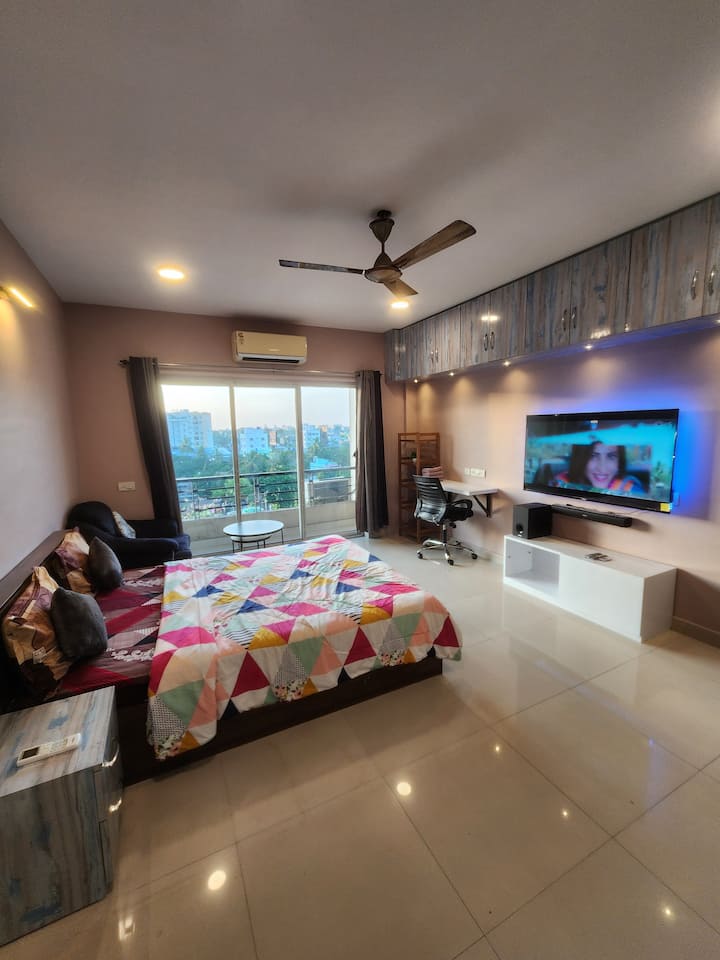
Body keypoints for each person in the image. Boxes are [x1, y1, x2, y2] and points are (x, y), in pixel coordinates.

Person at [552, 441, 646, 493]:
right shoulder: (561, 484)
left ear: (619, 462)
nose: (602, 468)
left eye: (611, 456)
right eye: (592, 455)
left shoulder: (632, 491)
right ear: (580, 459)